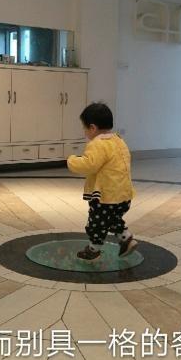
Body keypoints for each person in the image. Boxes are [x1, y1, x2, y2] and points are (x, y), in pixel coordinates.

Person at [67, 102, 137, 261]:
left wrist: (71, 161)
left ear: (92, 128)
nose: (85, 132)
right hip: (124, 195)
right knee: (112, 219)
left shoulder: (98, 144)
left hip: (105, 197)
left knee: (96, 223)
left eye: (84, 128)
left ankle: (93, 250)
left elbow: (89, 165)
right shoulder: (119, 140)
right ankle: (126, 239)